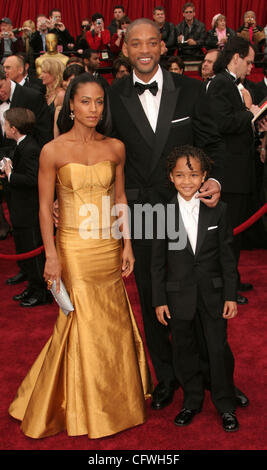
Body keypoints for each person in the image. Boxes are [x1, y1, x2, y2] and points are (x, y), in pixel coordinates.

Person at [8, 73, 152, 439]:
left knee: (113, 320)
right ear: (70, 104)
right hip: (72, 246)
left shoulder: (115, 147)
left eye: (99, 102)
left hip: (107, 245)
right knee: (82, 320)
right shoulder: (52, 150)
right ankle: (88, 407)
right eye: (85, 101)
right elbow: (44, 209)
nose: (93, 108)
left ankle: (114, 400)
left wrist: (128, 244)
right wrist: (52, 256)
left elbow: (120, 200)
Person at [108, 17, 226, 411]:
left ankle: (214, 379)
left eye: (151, 42)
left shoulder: (191, 92)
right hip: (141, 214)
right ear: (125, 50)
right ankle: (167, 377)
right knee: (152, 294)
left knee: (198, 297)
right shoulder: (111, 96)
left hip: (188, 209)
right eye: (136, 43)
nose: (144, 50)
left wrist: (215, 181)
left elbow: (212, 143)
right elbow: (101, 154)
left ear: (163, 46)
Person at [151, 145, 239, 432]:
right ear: (171, 177)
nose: (186, 181)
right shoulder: (162, 213)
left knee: (217, 348)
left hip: (213, 294)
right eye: (180, 175)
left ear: (204, 177)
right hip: (178, 295)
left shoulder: (220, 210)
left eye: (193, 175)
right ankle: (191, 400)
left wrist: (230, 295)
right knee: (184, 350)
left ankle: (226, 404)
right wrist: (159, 299)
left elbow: (228, 257)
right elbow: (157, 261)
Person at [207, 37, 263, 304]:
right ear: (236, 57)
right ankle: (225, 287)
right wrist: (250, 113)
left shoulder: (232, 84)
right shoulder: (220, 84)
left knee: (235, 234)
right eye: (249, 61)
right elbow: (221, 123)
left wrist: (254, 122)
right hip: (228, 174)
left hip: (239, 171)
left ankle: (233, 280)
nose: (251, 67)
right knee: (228, 234)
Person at [0, 107, 52, 307]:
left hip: (30, 212)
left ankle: (42, 292)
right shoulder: (21, 145)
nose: (3, 127)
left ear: (13, 128)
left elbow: (32, 179)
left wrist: (11, 174)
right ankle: (33, 286)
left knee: (34, 254)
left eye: (5, 124)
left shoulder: (31, 148)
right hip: (20, 211)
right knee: (25, 251)